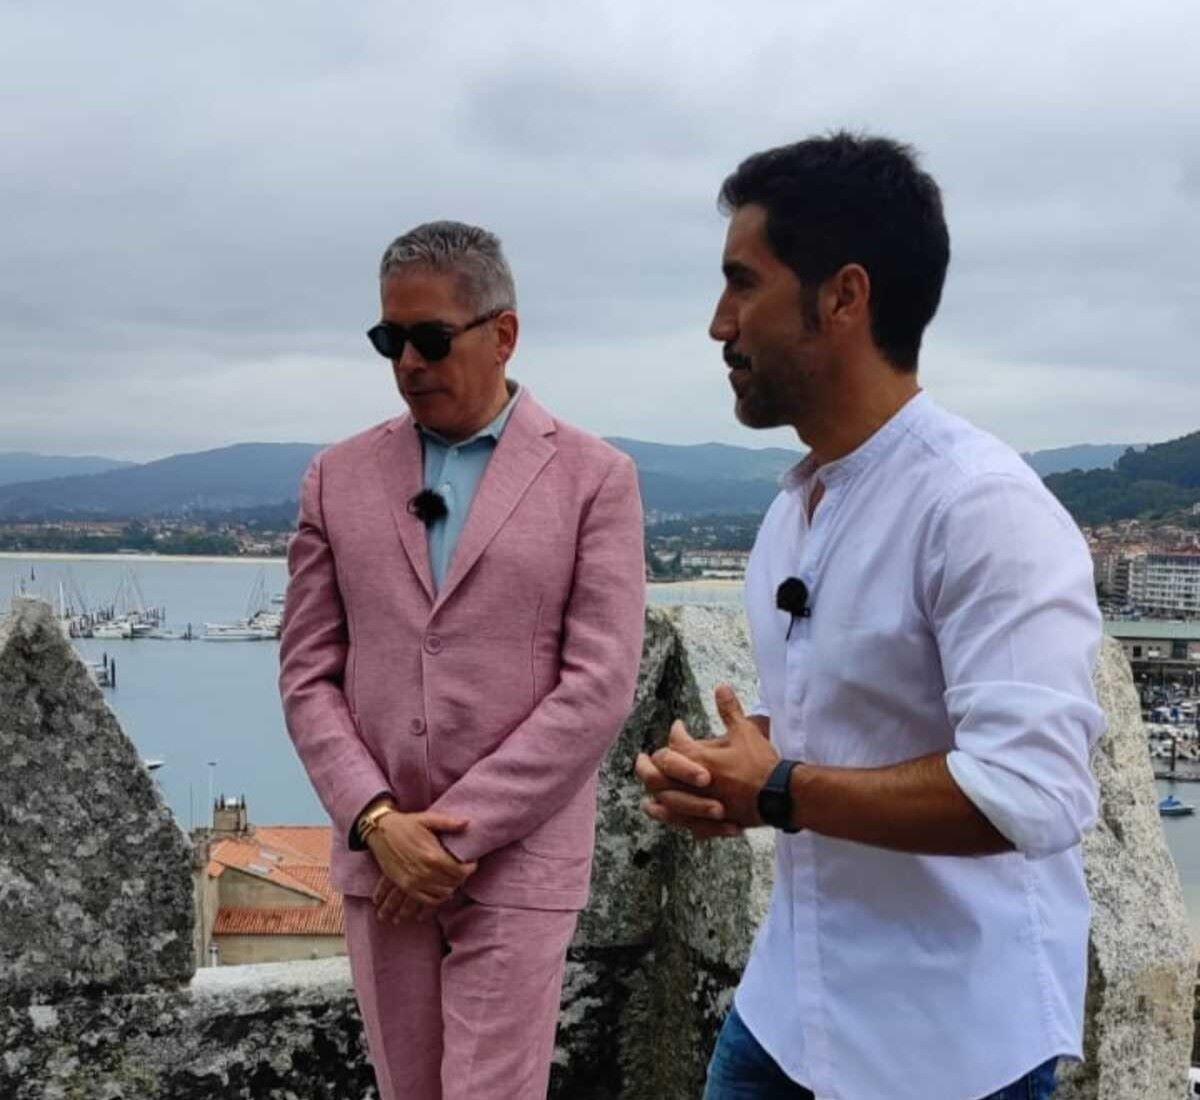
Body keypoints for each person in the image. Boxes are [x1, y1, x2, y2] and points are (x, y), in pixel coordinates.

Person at [635, 134, 1105, 1100]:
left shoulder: (981, 507)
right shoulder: (794, 510)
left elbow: (1034, 791)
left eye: (743, 283)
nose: (719, 324)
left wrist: (778, 790)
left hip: (949, 1046)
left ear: (843, 297)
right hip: (787, 1012)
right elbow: (849, 725)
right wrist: (735, 771)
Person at [279, 221, 645, 1100]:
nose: (408, 362)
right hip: (381, 859)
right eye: (390, 340)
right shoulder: (335, 477)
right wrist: (377, 822)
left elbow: (599, 687)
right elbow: (307, 672)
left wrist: (444, 837)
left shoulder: (596, 479)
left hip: (517, 860)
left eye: (431, 339)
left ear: (503, 333)